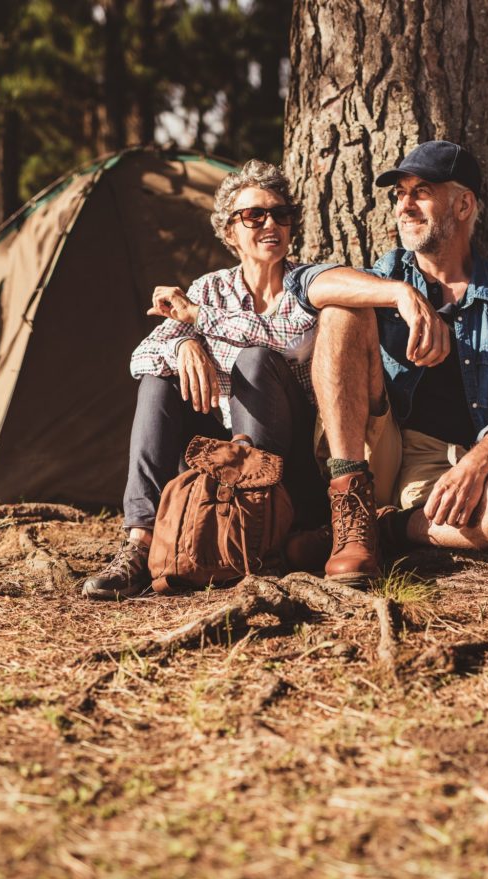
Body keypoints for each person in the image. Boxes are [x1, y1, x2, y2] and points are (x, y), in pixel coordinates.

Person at [83, 159, 333, 599]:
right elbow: (140, 358)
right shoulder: (210, 288)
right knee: (158, 382)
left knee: (254, 360)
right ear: (230, 232)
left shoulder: (305, 286)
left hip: (287, 469)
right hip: (219, 458)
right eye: (254, 215)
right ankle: (139, 544)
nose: (270, 223)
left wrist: (201, 321)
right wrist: (182, 346)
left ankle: (256, 533)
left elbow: (284, 337)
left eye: (280, 214)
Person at [287, 140, 488, 558]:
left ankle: (386, 528)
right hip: (370, 443)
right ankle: (350, 510)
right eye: (400, 194)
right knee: (341, 310)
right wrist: (400, 295)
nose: (404, 206)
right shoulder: (388, 273)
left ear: (463, 206)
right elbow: (303, 283)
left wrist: (476, 464)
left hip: (440, 465)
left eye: (421, 192)